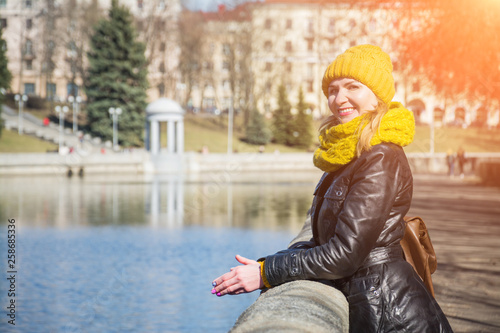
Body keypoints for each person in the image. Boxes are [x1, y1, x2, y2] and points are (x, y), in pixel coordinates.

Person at [211, 45, 453, 332]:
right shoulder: (347, 153)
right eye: (332, 89)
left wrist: (266, 274)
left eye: (353, 87)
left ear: (378, 96)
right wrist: (266, 265)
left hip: (390, 314)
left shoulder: (380, 156)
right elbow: (323, 240)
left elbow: (343, 254)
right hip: (370, 301)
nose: (339, 99)